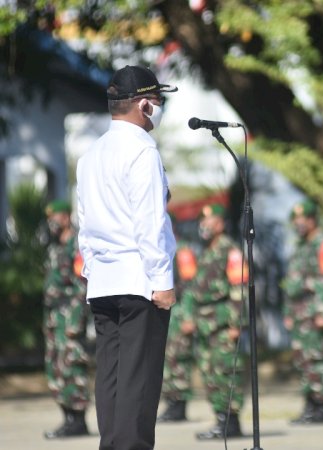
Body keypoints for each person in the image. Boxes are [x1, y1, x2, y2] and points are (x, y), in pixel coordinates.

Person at [77, 65, 177, 450]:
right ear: (144, 105)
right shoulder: (142, 151)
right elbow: (150, 224)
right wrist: (162, 282)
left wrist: (92, 271)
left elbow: (84, 224)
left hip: (104, 280)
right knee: (140, 380)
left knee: (113, 377)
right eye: (159, 100)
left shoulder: (91, 155)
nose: (161, 107)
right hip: (140, 282)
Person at [181, 204, 248, 440]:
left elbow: (239, 287)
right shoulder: (205, 252)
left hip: (222, 323)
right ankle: (221, 419)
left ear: (220, 224)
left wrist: (236, 323)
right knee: (210, 374)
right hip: (204, 324)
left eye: (210, 221)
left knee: (226, 371)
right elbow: (193, 289)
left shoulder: (231, 251)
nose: (204, 226)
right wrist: (188, 316)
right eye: (202, 221)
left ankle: (231, 422)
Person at [283, 200, 323, 424]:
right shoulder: (301, 245)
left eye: (303, 219)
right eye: (296, 220)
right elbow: (291, 284)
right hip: (299, 311)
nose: (299, 223)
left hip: (314, 309)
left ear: (313, 219)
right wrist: (288, 312)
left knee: (317, 358)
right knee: (303, 359)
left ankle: (321, 405)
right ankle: (310, 404)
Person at [42, 200, 91, 439]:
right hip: (54, 319)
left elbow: (82, 285)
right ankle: (68, 417)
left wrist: (76, 321)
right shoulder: (54, 248)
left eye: (56, 216)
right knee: (56, 368)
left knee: (72, 366)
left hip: (69, 317)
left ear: (66, 217)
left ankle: (78, 420)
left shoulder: (76, 245)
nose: (52, 221)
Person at [157, 215, 198, 422]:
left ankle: (179, 404)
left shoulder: (182, 252)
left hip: (181, 311)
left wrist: (189, 316)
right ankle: (171, 402)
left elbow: (190, 286)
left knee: (179, 360)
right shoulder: (162, 251)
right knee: (167, 360)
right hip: (168, 312)